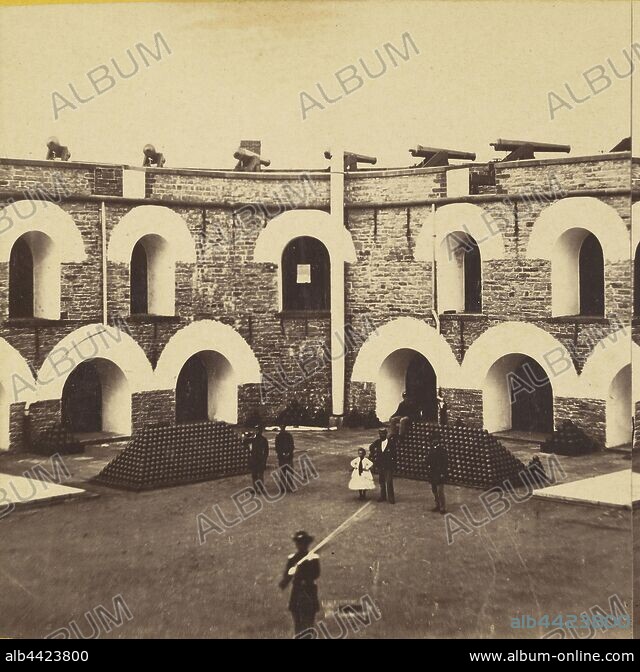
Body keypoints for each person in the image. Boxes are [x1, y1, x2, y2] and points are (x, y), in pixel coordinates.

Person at [279, 530, 320, 637]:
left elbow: (316, 574)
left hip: (309, 590)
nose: (301, 545)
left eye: (304, 543)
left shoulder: (313, 558)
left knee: (309, 623)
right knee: (297, 622)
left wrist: (303, 570)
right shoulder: (292, 558)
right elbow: (287, 576)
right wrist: (286, 580)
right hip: (297, 591)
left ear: (307, 544)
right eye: (299, 542)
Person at [369, 427, 397, 504]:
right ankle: (383, 496)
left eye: (383, 434)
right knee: (381, 481)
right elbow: (371, 447)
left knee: (389, 482)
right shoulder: (377, 442)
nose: (382, 435)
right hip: (380, 465)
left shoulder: (391, 444)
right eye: (380, 434)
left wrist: (394, 465)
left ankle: (391, 498)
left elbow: (395, 455)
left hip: (388, 466)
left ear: (386, 434)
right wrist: (374, 455)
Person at [426, 429, 447, 514]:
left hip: (439, 473)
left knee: (440, 491)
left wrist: (443, 473)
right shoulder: (431, 449)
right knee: (434, 490)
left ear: (438, 440)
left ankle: (443, 507)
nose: (434, 441)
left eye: (436, 439)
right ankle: (437, 505)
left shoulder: (442, 450)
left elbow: (445, 463)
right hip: (432, 473)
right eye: (433, 439)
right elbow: (428, 460)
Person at [248, 425, 269, 495]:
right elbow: (246, 446)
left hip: (259, 459)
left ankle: (259, 489)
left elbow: (266, 451)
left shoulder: (263, 440)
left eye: (258, 430)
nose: (257, 432)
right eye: (256, 430)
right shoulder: (252, 439)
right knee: (255, 475)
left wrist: (264, 459)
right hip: (254, 459)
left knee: (259, 475)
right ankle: (256, 488)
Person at [275, 424, 295, 493]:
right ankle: (288, 487)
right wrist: (288, 453)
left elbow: (277, 447)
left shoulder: (278, 437)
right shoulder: (288, 436)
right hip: (287, 456)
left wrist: (283, 453)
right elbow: (292, 446)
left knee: (284, 472)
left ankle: (283, 488)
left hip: (283, 457)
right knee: (288, 472)